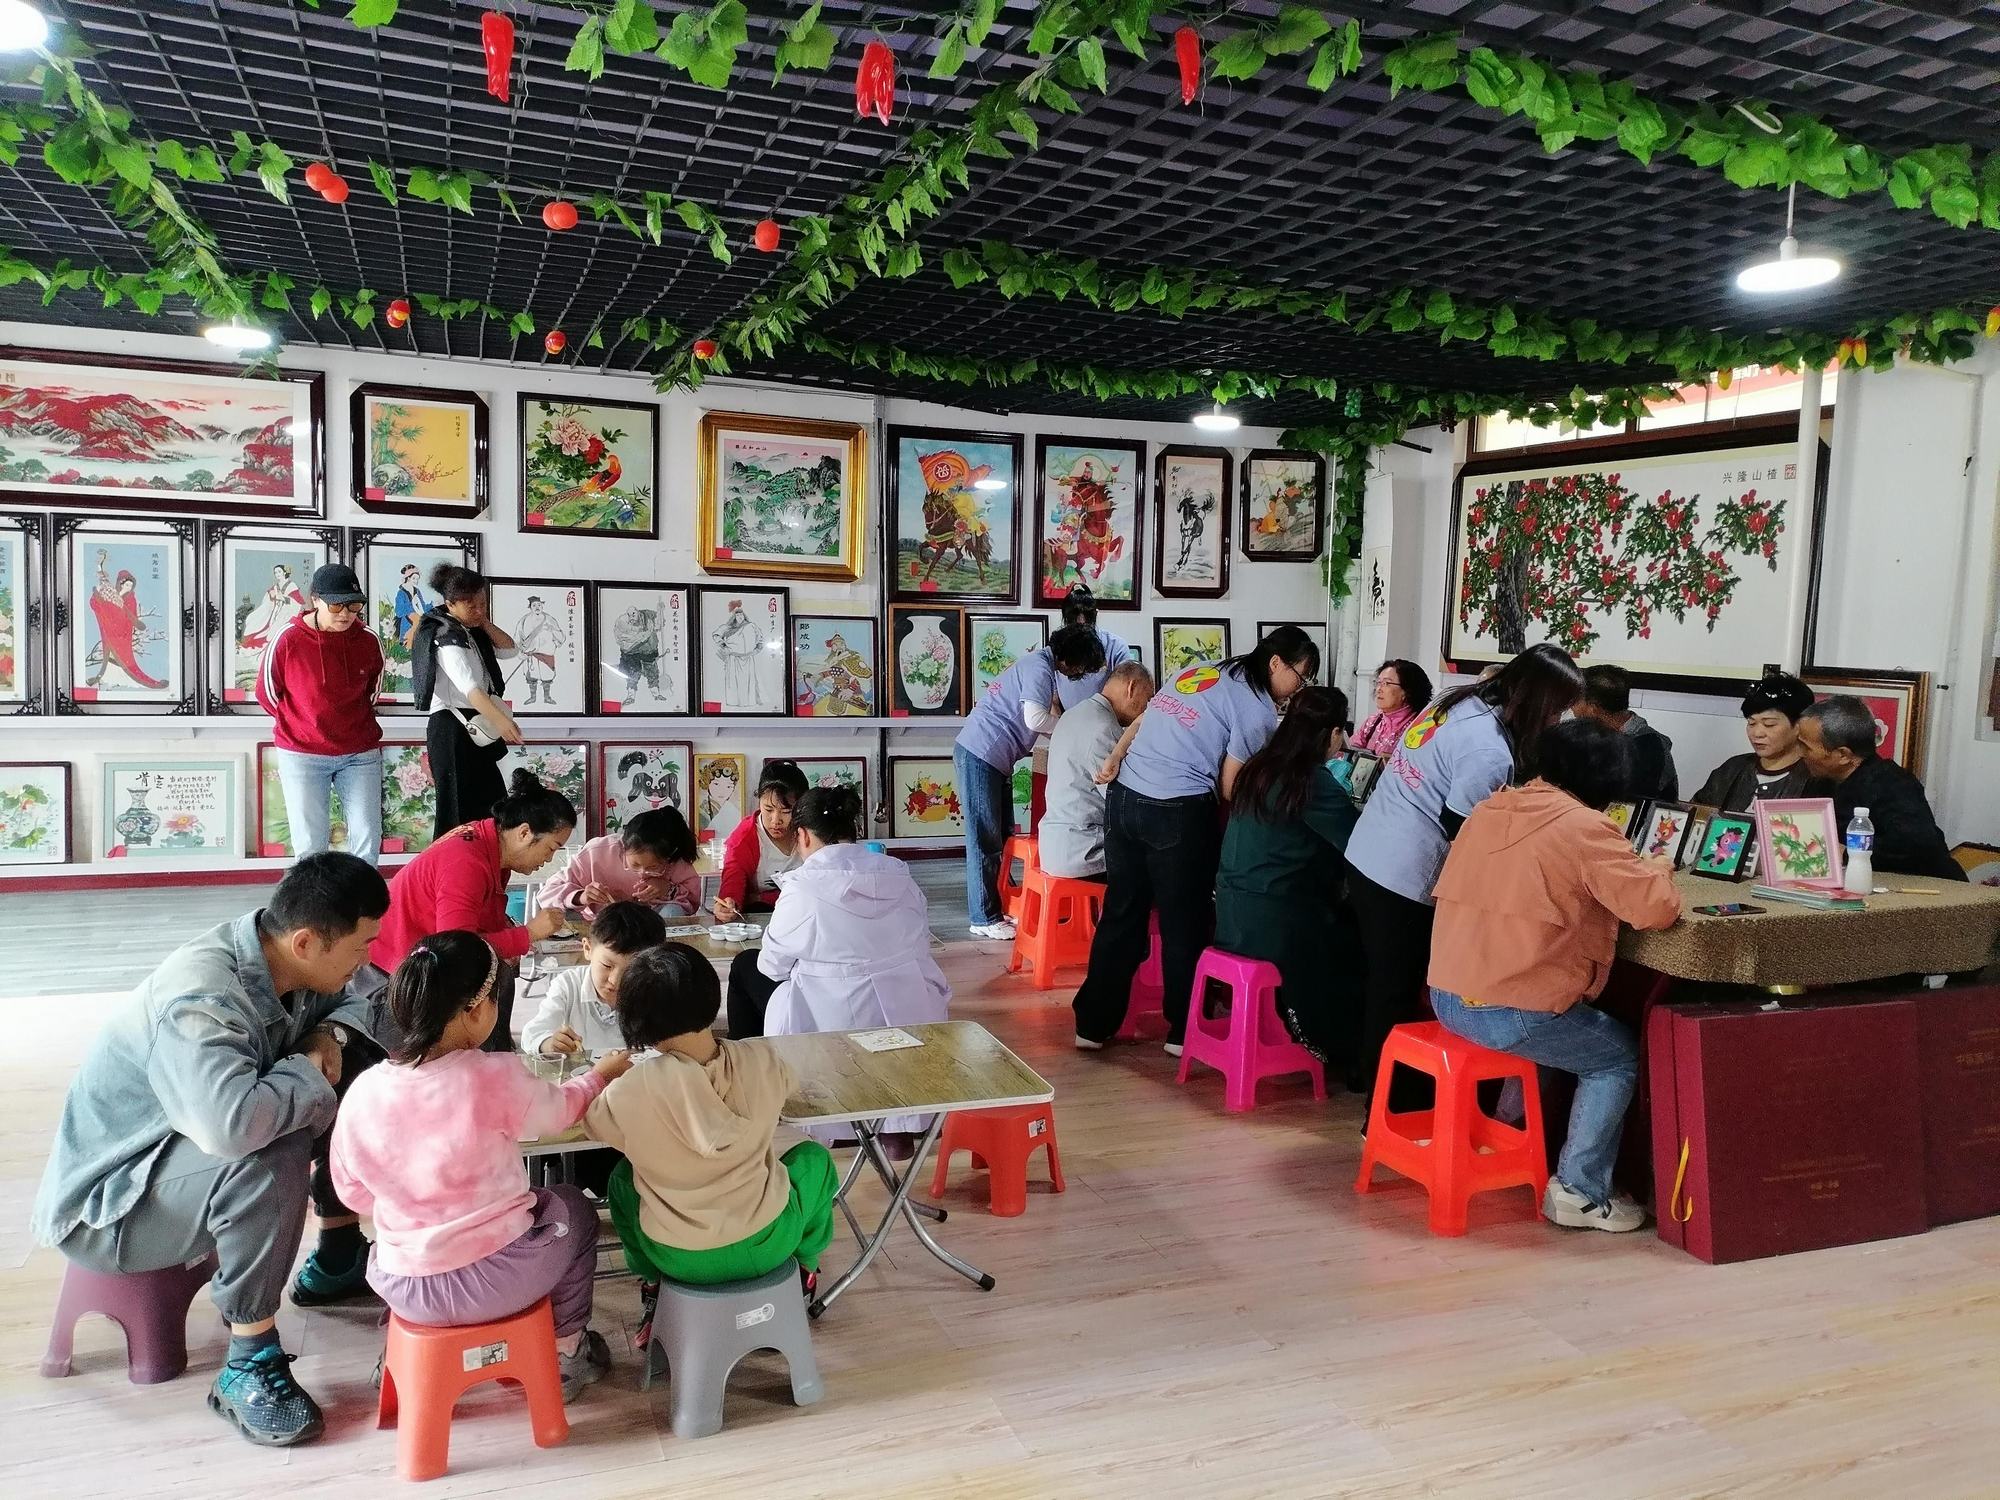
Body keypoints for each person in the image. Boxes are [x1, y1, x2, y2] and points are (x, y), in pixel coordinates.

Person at [31, 854, 390, 1447]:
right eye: (360, 947)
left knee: (355, 1069)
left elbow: (375, 996)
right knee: (271, 1146)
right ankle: (249, 1361)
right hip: (113, 1202)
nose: (366, 959)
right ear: (306, 942)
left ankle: (337, 1256)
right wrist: (308, 1067)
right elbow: (233, 1128)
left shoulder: (285, 955)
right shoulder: (202, 999)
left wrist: (329, 1034)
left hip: (179, 1154)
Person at [288, 772, 575, 1307]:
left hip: (405, 1264)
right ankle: (337, 1252)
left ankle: (357, 1242)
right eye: (552, 848)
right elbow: (458, 947)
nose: (550, 861)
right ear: (523, 833)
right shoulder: (467, 859)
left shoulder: (486, 849)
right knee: (419, 1095)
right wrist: (528, 934)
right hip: (392, 981)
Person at [330, 932, 630, 1401]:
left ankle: (402, 1354)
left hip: (405, 1285)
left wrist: (417, 1199)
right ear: (475, 1011)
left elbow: (353, 1195)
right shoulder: (495, 1074)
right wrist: (599, 1076)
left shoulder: (363, 1092)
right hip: (498, 1281)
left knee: (415, 1233)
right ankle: (567, 1348)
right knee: (573, 1207)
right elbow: (561, 1112)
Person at [1428, 718, 1683, 1232]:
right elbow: (1654, 909)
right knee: (1616, 1059)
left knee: (1554, 1039)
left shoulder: (1492, 807)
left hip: (1449, 993)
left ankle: (1509, 1136)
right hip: (1510, 1009)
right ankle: (1580, 1191)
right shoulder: (1584, 827)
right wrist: (1657, 870)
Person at [1343, 642, 1584, 1104]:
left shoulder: (1457, 701)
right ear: (1538, 701)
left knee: (1381, 983)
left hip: (1369, 851)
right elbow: (1464, 836)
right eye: (1556, 711)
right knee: (1394, 992)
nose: (1556, 722)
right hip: (1402, 874)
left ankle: (1366, 1082)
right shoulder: (1488, 749)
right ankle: (1386, 1108)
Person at [1071, 625, 1321, 1054]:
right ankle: (1182, 1031)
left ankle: (1092, 1025)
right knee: (1183, 921)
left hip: (1125, 800)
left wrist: (1115, 758)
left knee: (1122, 912)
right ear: (1276, 663)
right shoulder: (1256, 708)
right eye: (1300, 677)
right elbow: (1229, 786)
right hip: (1175, 810)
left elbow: (1144, 719)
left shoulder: (1201, 671)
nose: (1298, 688)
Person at [587, 943, 840, 1339]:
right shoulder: (762, 1059)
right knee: (813, 1159)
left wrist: (601, 1076)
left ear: (635, 1021)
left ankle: (651, 1281)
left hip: (676, 1256)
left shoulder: (631, 1090)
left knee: (622, 1177)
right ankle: (805, 1267)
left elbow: (593, 1123)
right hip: (768, 1243)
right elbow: (790, 1082)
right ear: (712, 997)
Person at [728, 788, 949, 1065]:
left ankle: (749, 1070)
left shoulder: (803, 889)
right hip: (911, 1010)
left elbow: (772, 967)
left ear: (803, 836)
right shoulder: (899, 876)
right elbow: (920, 943)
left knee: (745, 965)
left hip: (831, 1022)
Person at [1213, 686, 1360, 1064]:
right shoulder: (1310, 781)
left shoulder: (1259, 768)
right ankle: (1346, 1046)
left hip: (1231, 913)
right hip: (1274, 922)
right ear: (1332, 734)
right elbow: (1360, 843)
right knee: (1361, 936)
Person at [954, 623, 1108, 937]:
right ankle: (983, 918)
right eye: (1081, 668)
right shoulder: (1039, 667)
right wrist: (1074, 728)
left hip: (991, 757)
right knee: (984, 838)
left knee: (1001, 836)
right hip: (981, 753)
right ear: (1070, 660)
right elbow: (1035, 719)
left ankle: (996, 909)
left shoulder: (1042, 666)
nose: (1079, 674)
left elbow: (1044, 715)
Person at [256, 563, 385, 863]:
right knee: (310, 844)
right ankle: (314, 897)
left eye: (354, 605)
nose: (346, 614)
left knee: (368, 835)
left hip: (359, 752)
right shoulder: (288, 639)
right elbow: (267, 693)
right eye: (336, 605)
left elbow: (372, 691)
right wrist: (303, 723)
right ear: (315, 600)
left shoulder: (368, 640)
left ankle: (363, 894)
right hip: (302, 753)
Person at [1798, 696, 1964, 881]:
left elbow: (1918, 847)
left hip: (1928, 887)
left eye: (1805, 747)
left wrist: (1847, 852)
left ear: (1843, 755)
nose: (1799, 753)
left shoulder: (1893, 784)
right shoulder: (1820, 782)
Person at [410, 563, 521, 838]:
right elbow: (471, 689)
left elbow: (510, 649)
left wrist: (481, 620)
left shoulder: (470, 629)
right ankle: (454, 864)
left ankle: (485, 862)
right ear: (450, 604)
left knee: (491, 808)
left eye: (483, 603)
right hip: (452, 728)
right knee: (457, 814)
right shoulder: (445, 635)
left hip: (476, 721)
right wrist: (502, 722)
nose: (479, 610)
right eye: (471, 605)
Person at [1040, 661, 1153, 879]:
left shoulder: (1074, 713)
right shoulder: (1103, 726)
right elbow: (1123, 802)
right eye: (1147, 699)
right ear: (1132, 687)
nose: (1146, 708)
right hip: (1086, 852)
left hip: (1056, 845)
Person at [523, 900, 667, 1060]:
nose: (615, 981)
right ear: (588, 949)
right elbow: (532, 1034)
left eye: (631, 971)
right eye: (607, 965)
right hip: (583, 1074)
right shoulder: (569, 985)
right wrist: (549, 1044)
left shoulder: (657, 989)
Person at [537, 807, 701, 921]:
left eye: (653, 867)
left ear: (669, 857)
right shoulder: (596, 853)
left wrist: (669, 889)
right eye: (635, 865)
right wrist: (581, 896)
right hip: (605, 926)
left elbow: (693, 902)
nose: (642, 873)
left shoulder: (675, 858)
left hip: (655, 928)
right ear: (623, 848)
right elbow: (547, 893)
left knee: (673, 911)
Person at [1690, 670, 1817, 811]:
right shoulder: (1732, 769)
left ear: (1800, 726)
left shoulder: (1816, 779)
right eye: (1751, 723)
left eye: (1769, 724)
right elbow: (1697, 815)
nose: (1757, 733)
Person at [714, 760, 808, 920]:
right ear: (759, 802)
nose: (775, 820)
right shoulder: (745, 837)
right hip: (760, 916)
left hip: (805, 912)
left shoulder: (811, 832)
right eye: (768, 809)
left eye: (786, 811)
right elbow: (733, 878)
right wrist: (728, 903)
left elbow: (821, 885)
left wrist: (762, 897)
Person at [1574, 664, 1678, 801]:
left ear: (1593, 708)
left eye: (1575, 701)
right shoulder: (1591, 735)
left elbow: (1625, 804)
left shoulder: (1648, 747)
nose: (1571, 708)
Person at [1055, 584, 1134, 709]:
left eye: (1087, 617)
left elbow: (1125, 694)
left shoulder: (1116, 647)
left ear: (1095, 614)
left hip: (1106, 716)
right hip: (1065, 716)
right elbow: (1052, 697)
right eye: (1074, 619)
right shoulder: (1057, 647)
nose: (1081, 622)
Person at [1352, 659, 1433, 758]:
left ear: (1407, 691)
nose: (1379, 689)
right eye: (1378, 682)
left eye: (1386, 683)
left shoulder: (1420, 727)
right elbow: (1352, 751)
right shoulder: (1373, 721)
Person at [512, 594, 566, 707]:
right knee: (531, 676)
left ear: (542, 606)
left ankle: (547, 697)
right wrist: (519, 652)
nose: (537, 607)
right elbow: (517, 637)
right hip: (530, 654)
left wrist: (552, 631)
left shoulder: (550, 619)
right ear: (530, 607)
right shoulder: (524, 620)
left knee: (547, 676)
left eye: (539, 605)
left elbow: (561, 637)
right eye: (534, 605)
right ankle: (532, 697)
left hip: (546, 653)